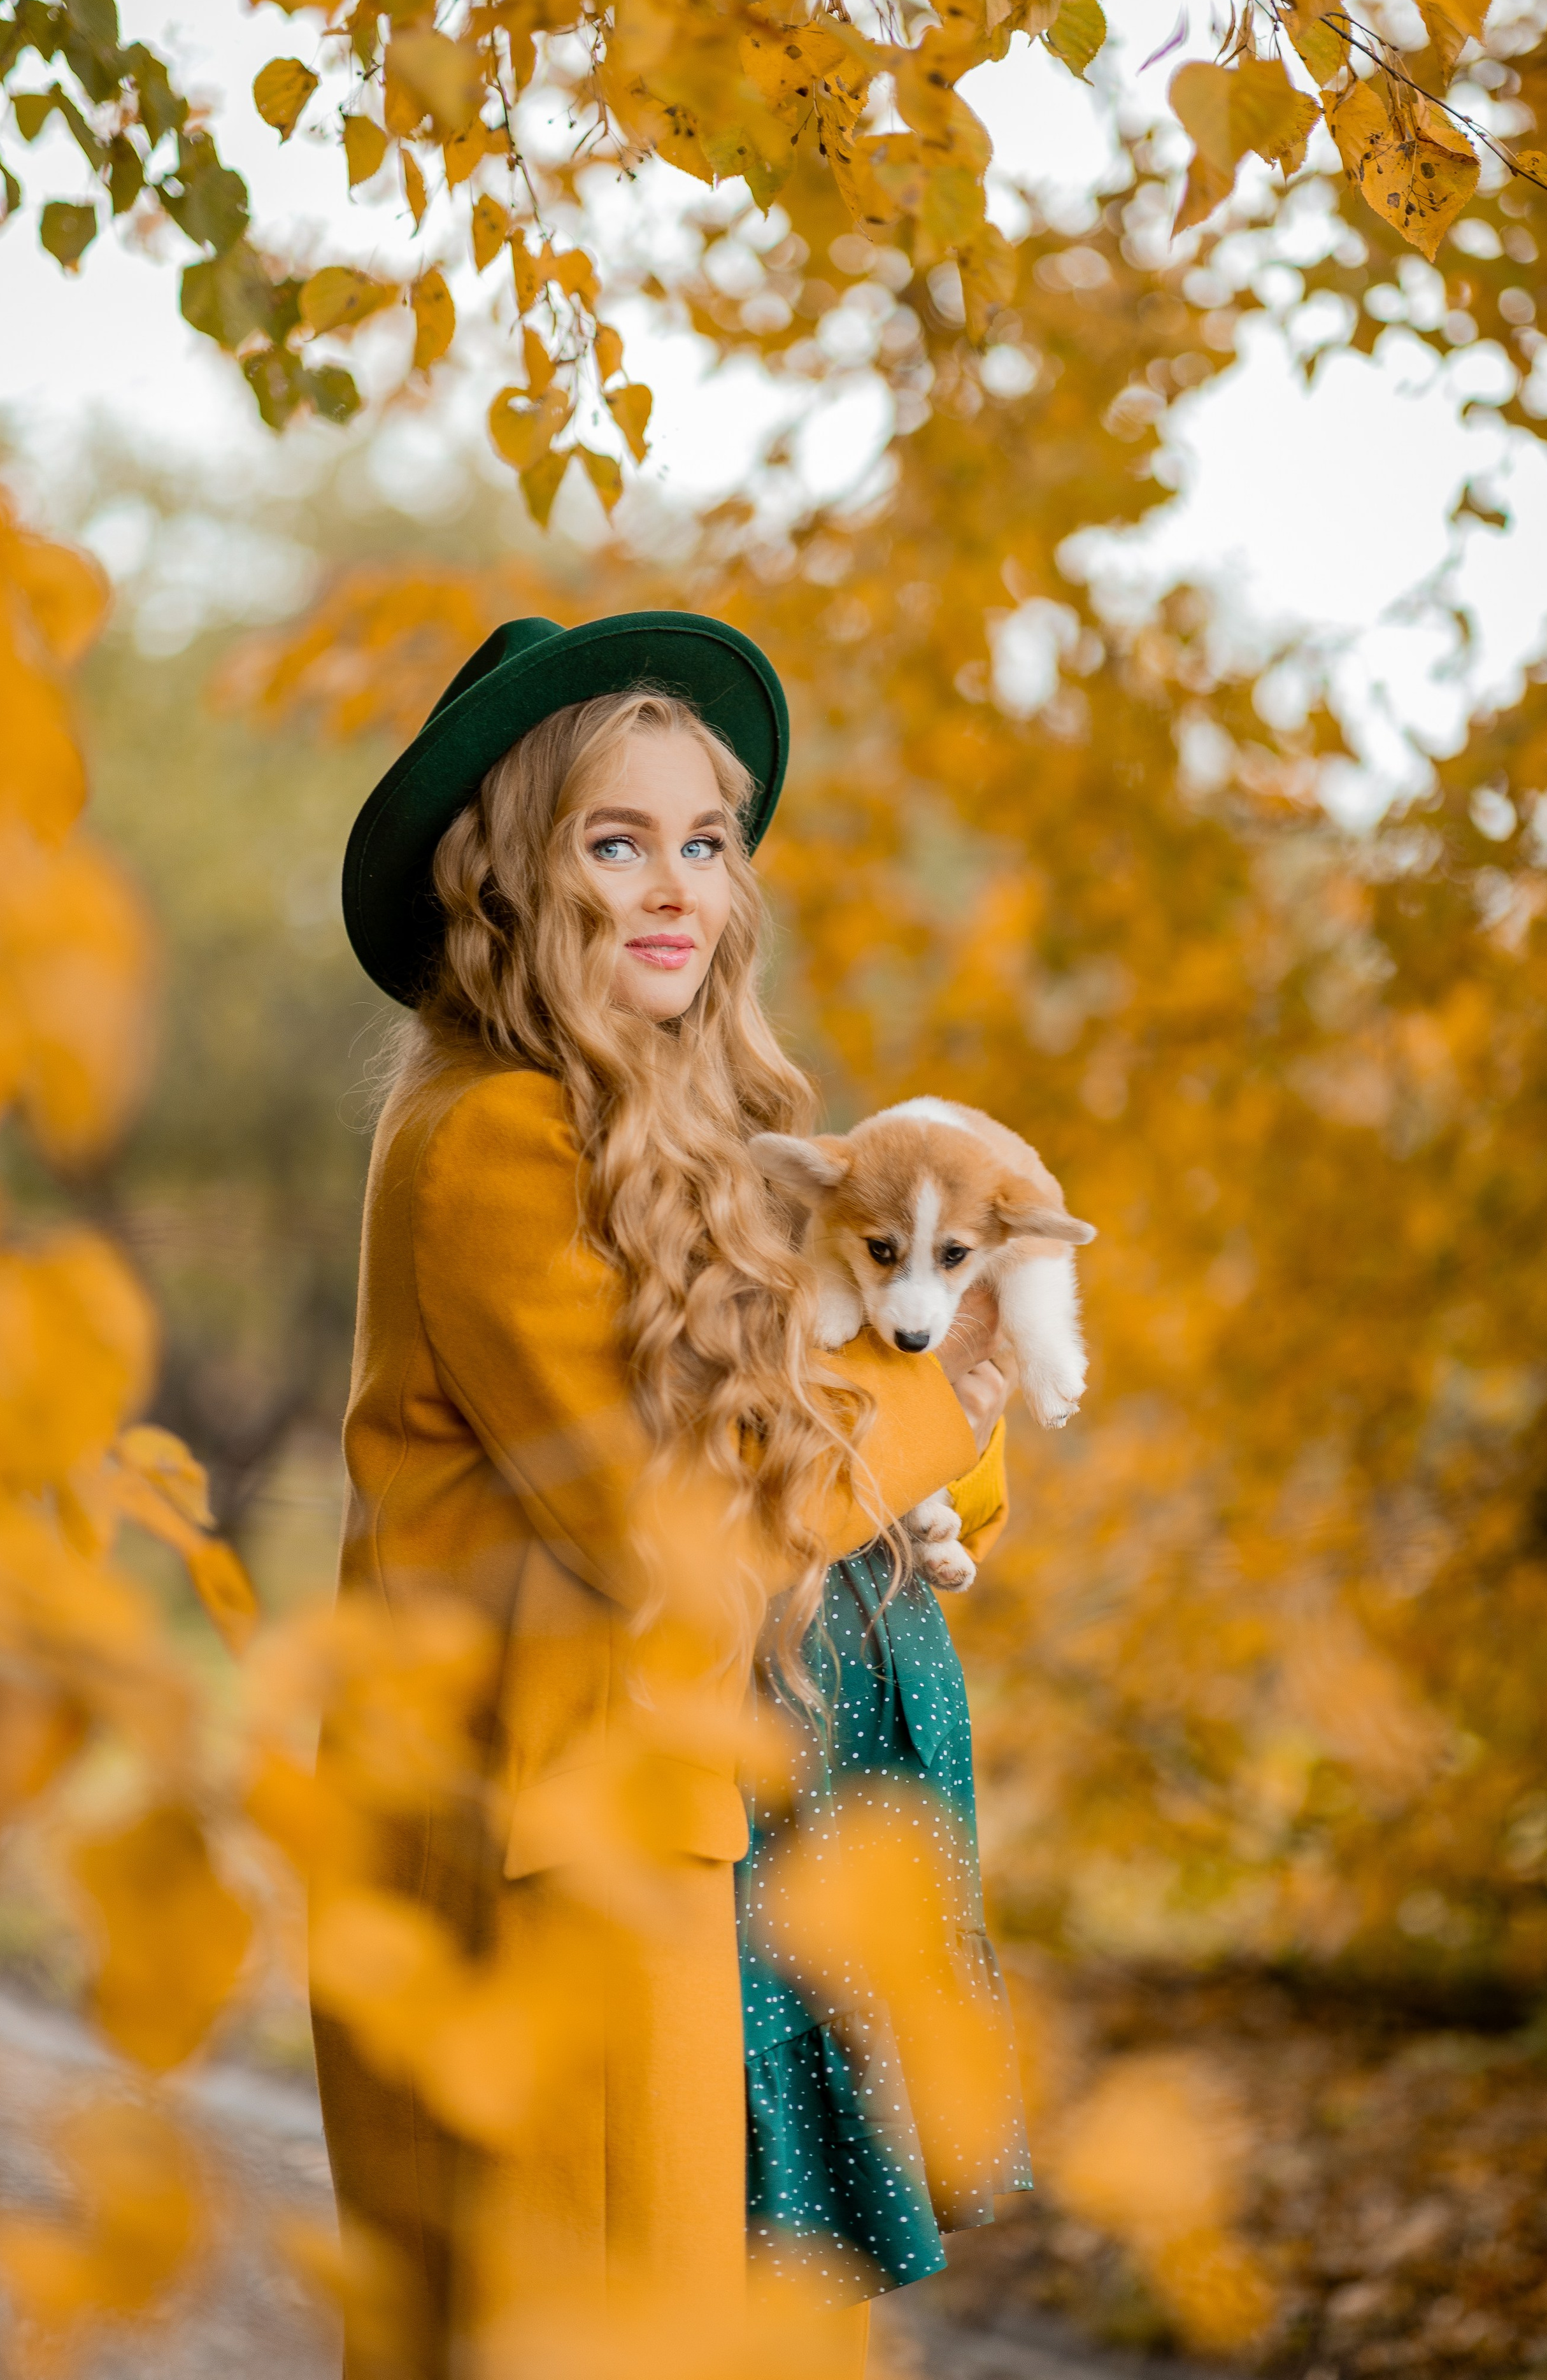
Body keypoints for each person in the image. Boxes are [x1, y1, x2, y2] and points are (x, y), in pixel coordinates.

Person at [320, 611, 1029, 2379]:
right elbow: (674, 1534)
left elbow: (853, 1454)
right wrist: (949, 1402)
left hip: (717, 1817)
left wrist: (951, 1447)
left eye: (704, 842)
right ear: (504, 881)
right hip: (567, 1851)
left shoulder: (689, 1143)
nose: (675, 888)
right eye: (612, 841)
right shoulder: (492, 1141)